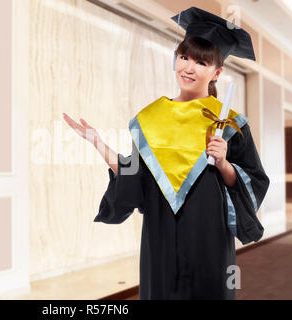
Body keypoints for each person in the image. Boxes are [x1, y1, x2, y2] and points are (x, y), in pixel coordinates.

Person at [62, 7, 270, 300]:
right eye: (184, 57)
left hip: (208, 229)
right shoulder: (151, 118)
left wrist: (223, 163)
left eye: (201, 62)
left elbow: (254, 181)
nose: (188, 67)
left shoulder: (230, 124)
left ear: (217, 72)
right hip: (161, 229)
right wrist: (97, 142)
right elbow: (132, 175)